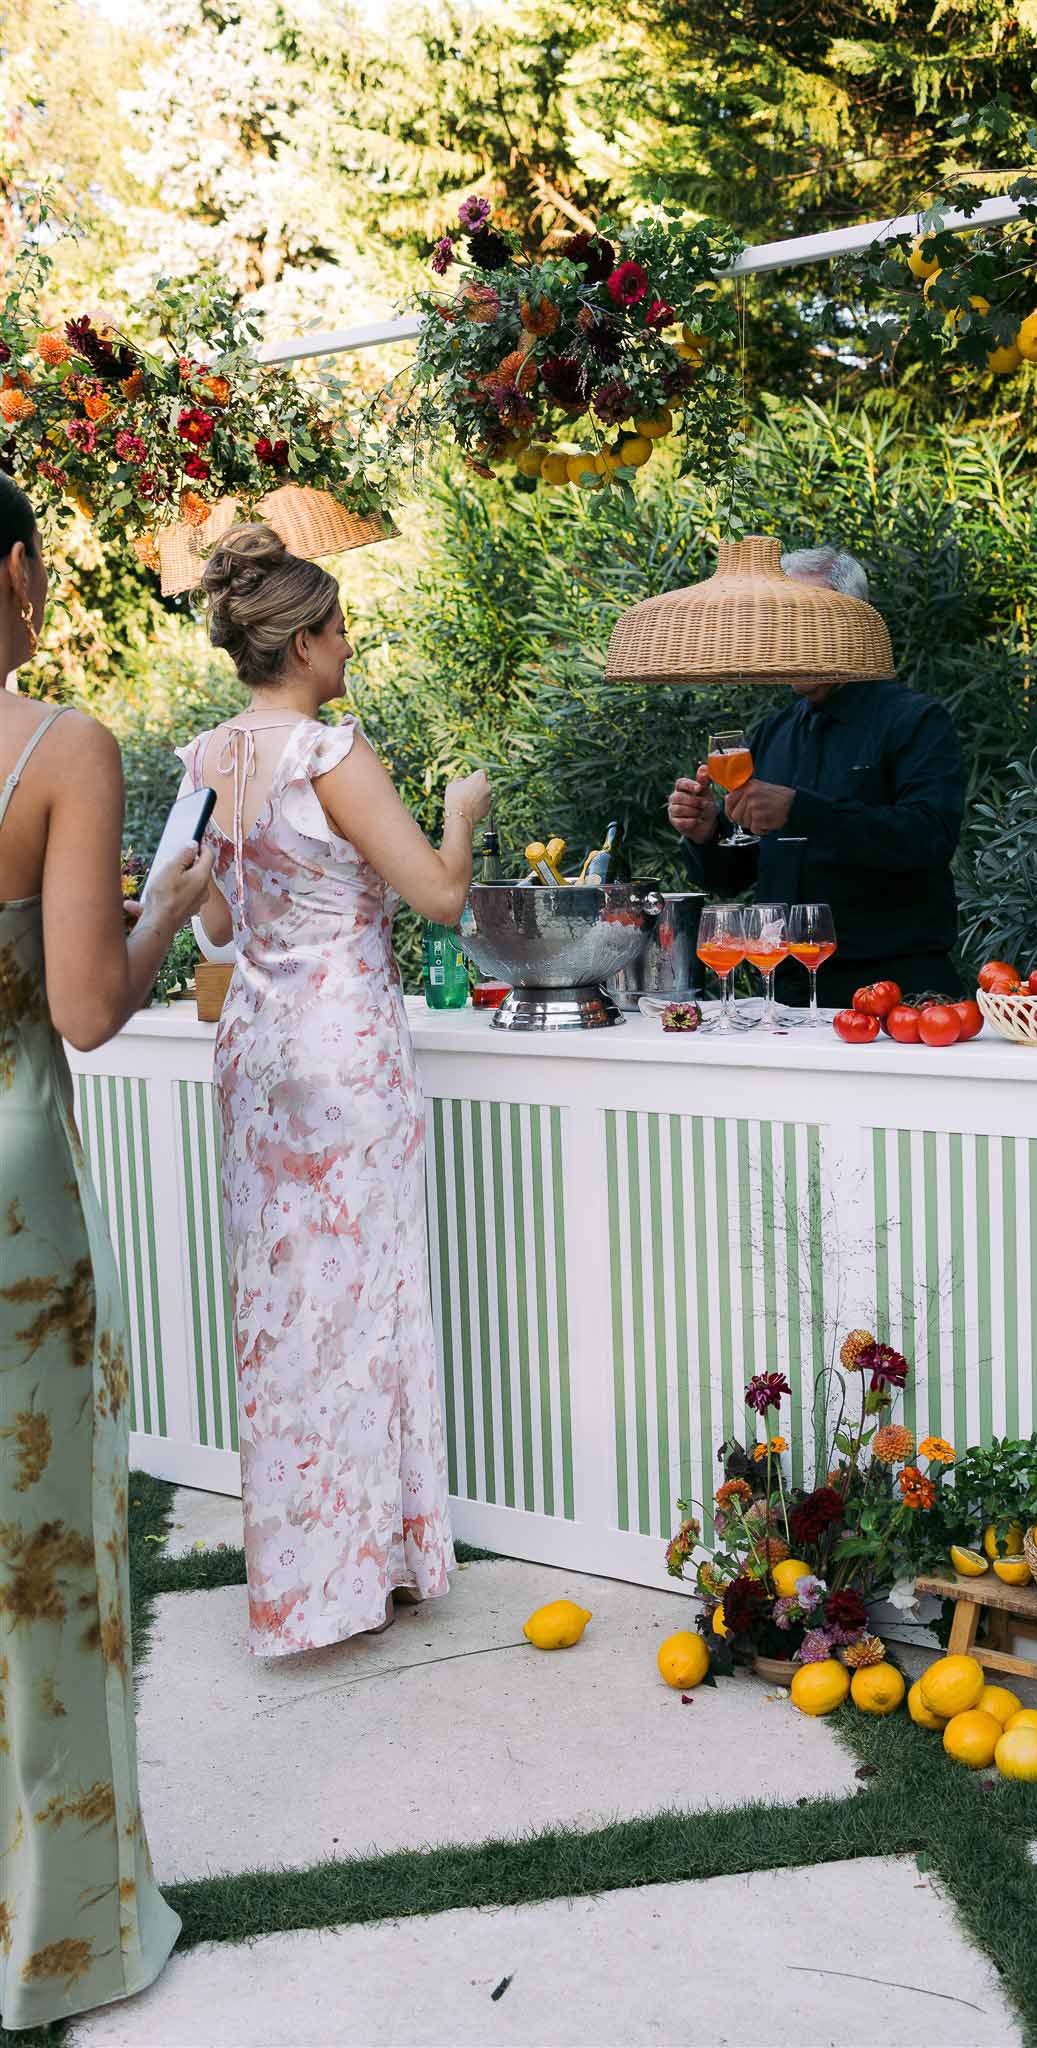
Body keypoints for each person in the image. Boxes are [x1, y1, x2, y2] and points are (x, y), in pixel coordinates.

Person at [184, 524, 490, 1656]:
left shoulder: (208, 759)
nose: (351, 644)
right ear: (306, 642)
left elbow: (215, 922)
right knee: (365, 1305)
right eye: (343, 628)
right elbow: (442, 897)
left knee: (283, 1313)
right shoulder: (330, 750)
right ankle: (372, 1574)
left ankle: (311, 1580)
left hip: (258, 1056)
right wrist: (461, 807)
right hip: (346, 1050)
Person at [0, 475, 209, 2030]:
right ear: (14, 569)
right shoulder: (57, 745)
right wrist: (170, 908)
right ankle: (56, 1933)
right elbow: (81, 1010)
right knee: (39, 1558)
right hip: (9, 1200)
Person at [668, 544, 966, 1005]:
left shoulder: (916, 721)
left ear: (852, 622)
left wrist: (800, 810)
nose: (787, 636)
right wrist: (707, 834)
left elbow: (928, 838)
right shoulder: (774, 732)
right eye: (782, 622)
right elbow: (736, 875)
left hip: (899, 994)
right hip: (784, 995)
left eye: (804, 619)